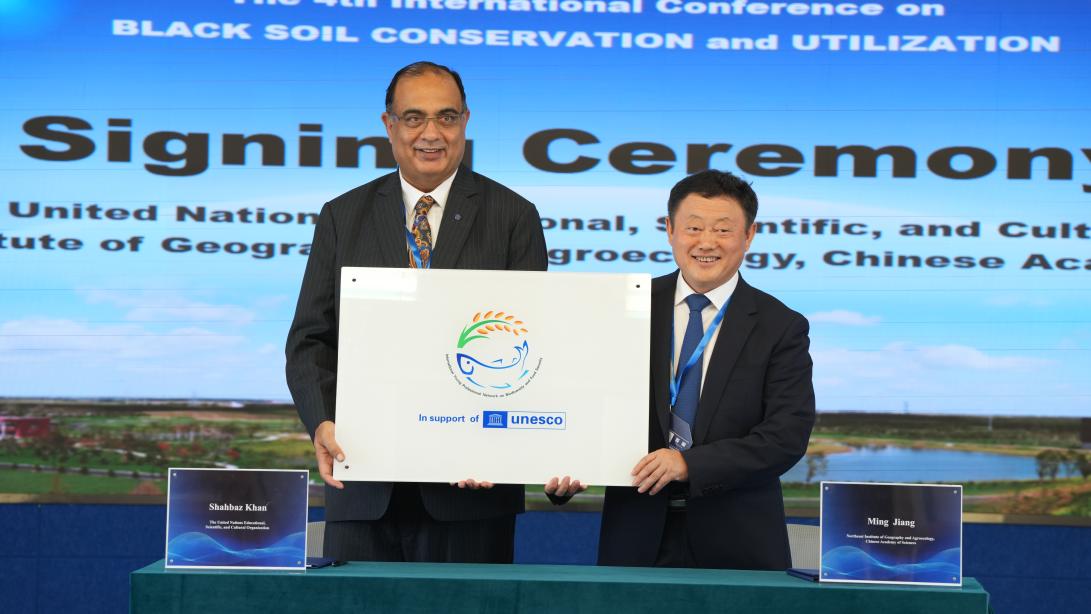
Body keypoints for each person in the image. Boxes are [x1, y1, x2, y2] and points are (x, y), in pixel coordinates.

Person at [285, 61, 547, 563]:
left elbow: (531, 344)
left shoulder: (514, 216)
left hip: (472, 492)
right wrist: (323, 422)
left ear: (465, 121)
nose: (431, 133)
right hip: (363, 484)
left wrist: (501, 445)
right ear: (389, 125)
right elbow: (310, 339)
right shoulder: (343, 215)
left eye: (446, 117)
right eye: (413, 118)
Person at [551, 170, 815, 570]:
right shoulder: (623, 308)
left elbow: (785, 437)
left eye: (723, 230)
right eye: (693, 228)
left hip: (738, 542)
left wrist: (691, 464)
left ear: (749, 236)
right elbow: (583, 405)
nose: (706, 242)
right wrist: (565, 461)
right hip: (635, 537)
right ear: (670, 230)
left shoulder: (781, 326)